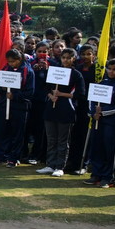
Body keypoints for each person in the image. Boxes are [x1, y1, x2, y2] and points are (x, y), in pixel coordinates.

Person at [86, 58, 115, 188]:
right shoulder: (102, 82)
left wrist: (103, 112)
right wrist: (93, 113)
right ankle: (96, 174)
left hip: (112, 122)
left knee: (110, 149)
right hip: (98, 121)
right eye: (109, 68)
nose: (111, 71)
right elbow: (92, 100)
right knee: (96, 147)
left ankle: (108, 177)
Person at [38, 47, 82, 177]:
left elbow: (80, 94)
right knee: (51, 138)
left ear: (74, 59)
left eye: (69, 58)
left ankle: (60, 166)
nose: (66, 60)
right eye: (63, 57)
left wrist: (61, 94)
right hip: (51, 108)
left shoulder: (76, 74)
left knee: (63, 140)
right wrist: (51, 95)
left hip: (66, 109)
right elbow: (46, 87)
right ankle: (50, 164)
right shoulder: (54, 71)